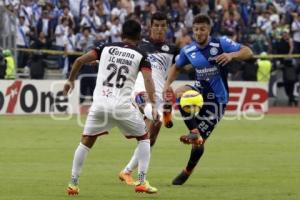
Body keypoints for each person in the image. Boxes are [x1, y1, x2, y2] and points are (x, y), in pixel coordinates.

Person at [63, 19, 159, 195]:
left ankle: (73, 183)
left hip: (99, 106)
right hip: (122, 107)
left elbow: (78, 61)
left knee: (86, 142)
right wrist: (153, 104)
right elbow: (147, 79)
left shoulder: (104, 48)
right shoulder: (141, 55)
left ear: (121, 33)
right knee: (144, 138)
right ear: (139, 36)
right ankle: (142, 181)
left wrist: (70, 80)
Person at [163, 14, 253, 185]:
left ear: (209, 29)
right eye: (196, 29)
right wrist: (167, 84)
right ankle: (194, 131)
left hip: (217, 100)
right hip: (199, 91)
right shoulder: (188, 50)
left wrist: (231, 55)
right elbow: (176, 67)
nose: (199, 32)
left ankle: (187, 170)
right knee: (181, 93)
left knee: (198, 145)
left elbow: (248, 52)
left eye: (202, 29)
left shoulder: (221, 43)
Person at [118, 12, 179, 185]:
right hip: (139, 90)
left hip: (158, 94)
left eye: (162, 25)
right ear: (151, 27)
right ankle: (162, 114)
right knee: (155, 117)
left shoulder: (173, 49)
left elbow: (182, 66)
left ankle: (126, 171)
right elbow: (122, 57)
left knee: (150, 138)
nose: (159, 29)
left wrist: (170, 84)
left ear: (166, 27)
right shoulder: (140, 45)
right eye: (156, 25)